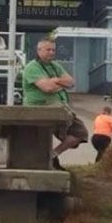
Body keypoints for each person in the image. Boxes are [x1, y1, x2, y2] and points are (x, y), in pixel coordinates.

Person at [22, 38, 88, 169]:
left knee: (80, 132)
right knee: (42, 136)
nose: (51, 52)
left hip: (61, 108)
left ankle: (53, 155)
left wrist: (55, 80)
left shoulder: (55, 66)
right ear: (39, 50)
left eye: (53, 50)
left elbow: (71, 82)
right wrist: (60, 84)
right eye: (48, 50)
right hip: (39, 108)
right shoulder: (32, 67)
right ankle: (42, 162)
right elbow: (47, 88)